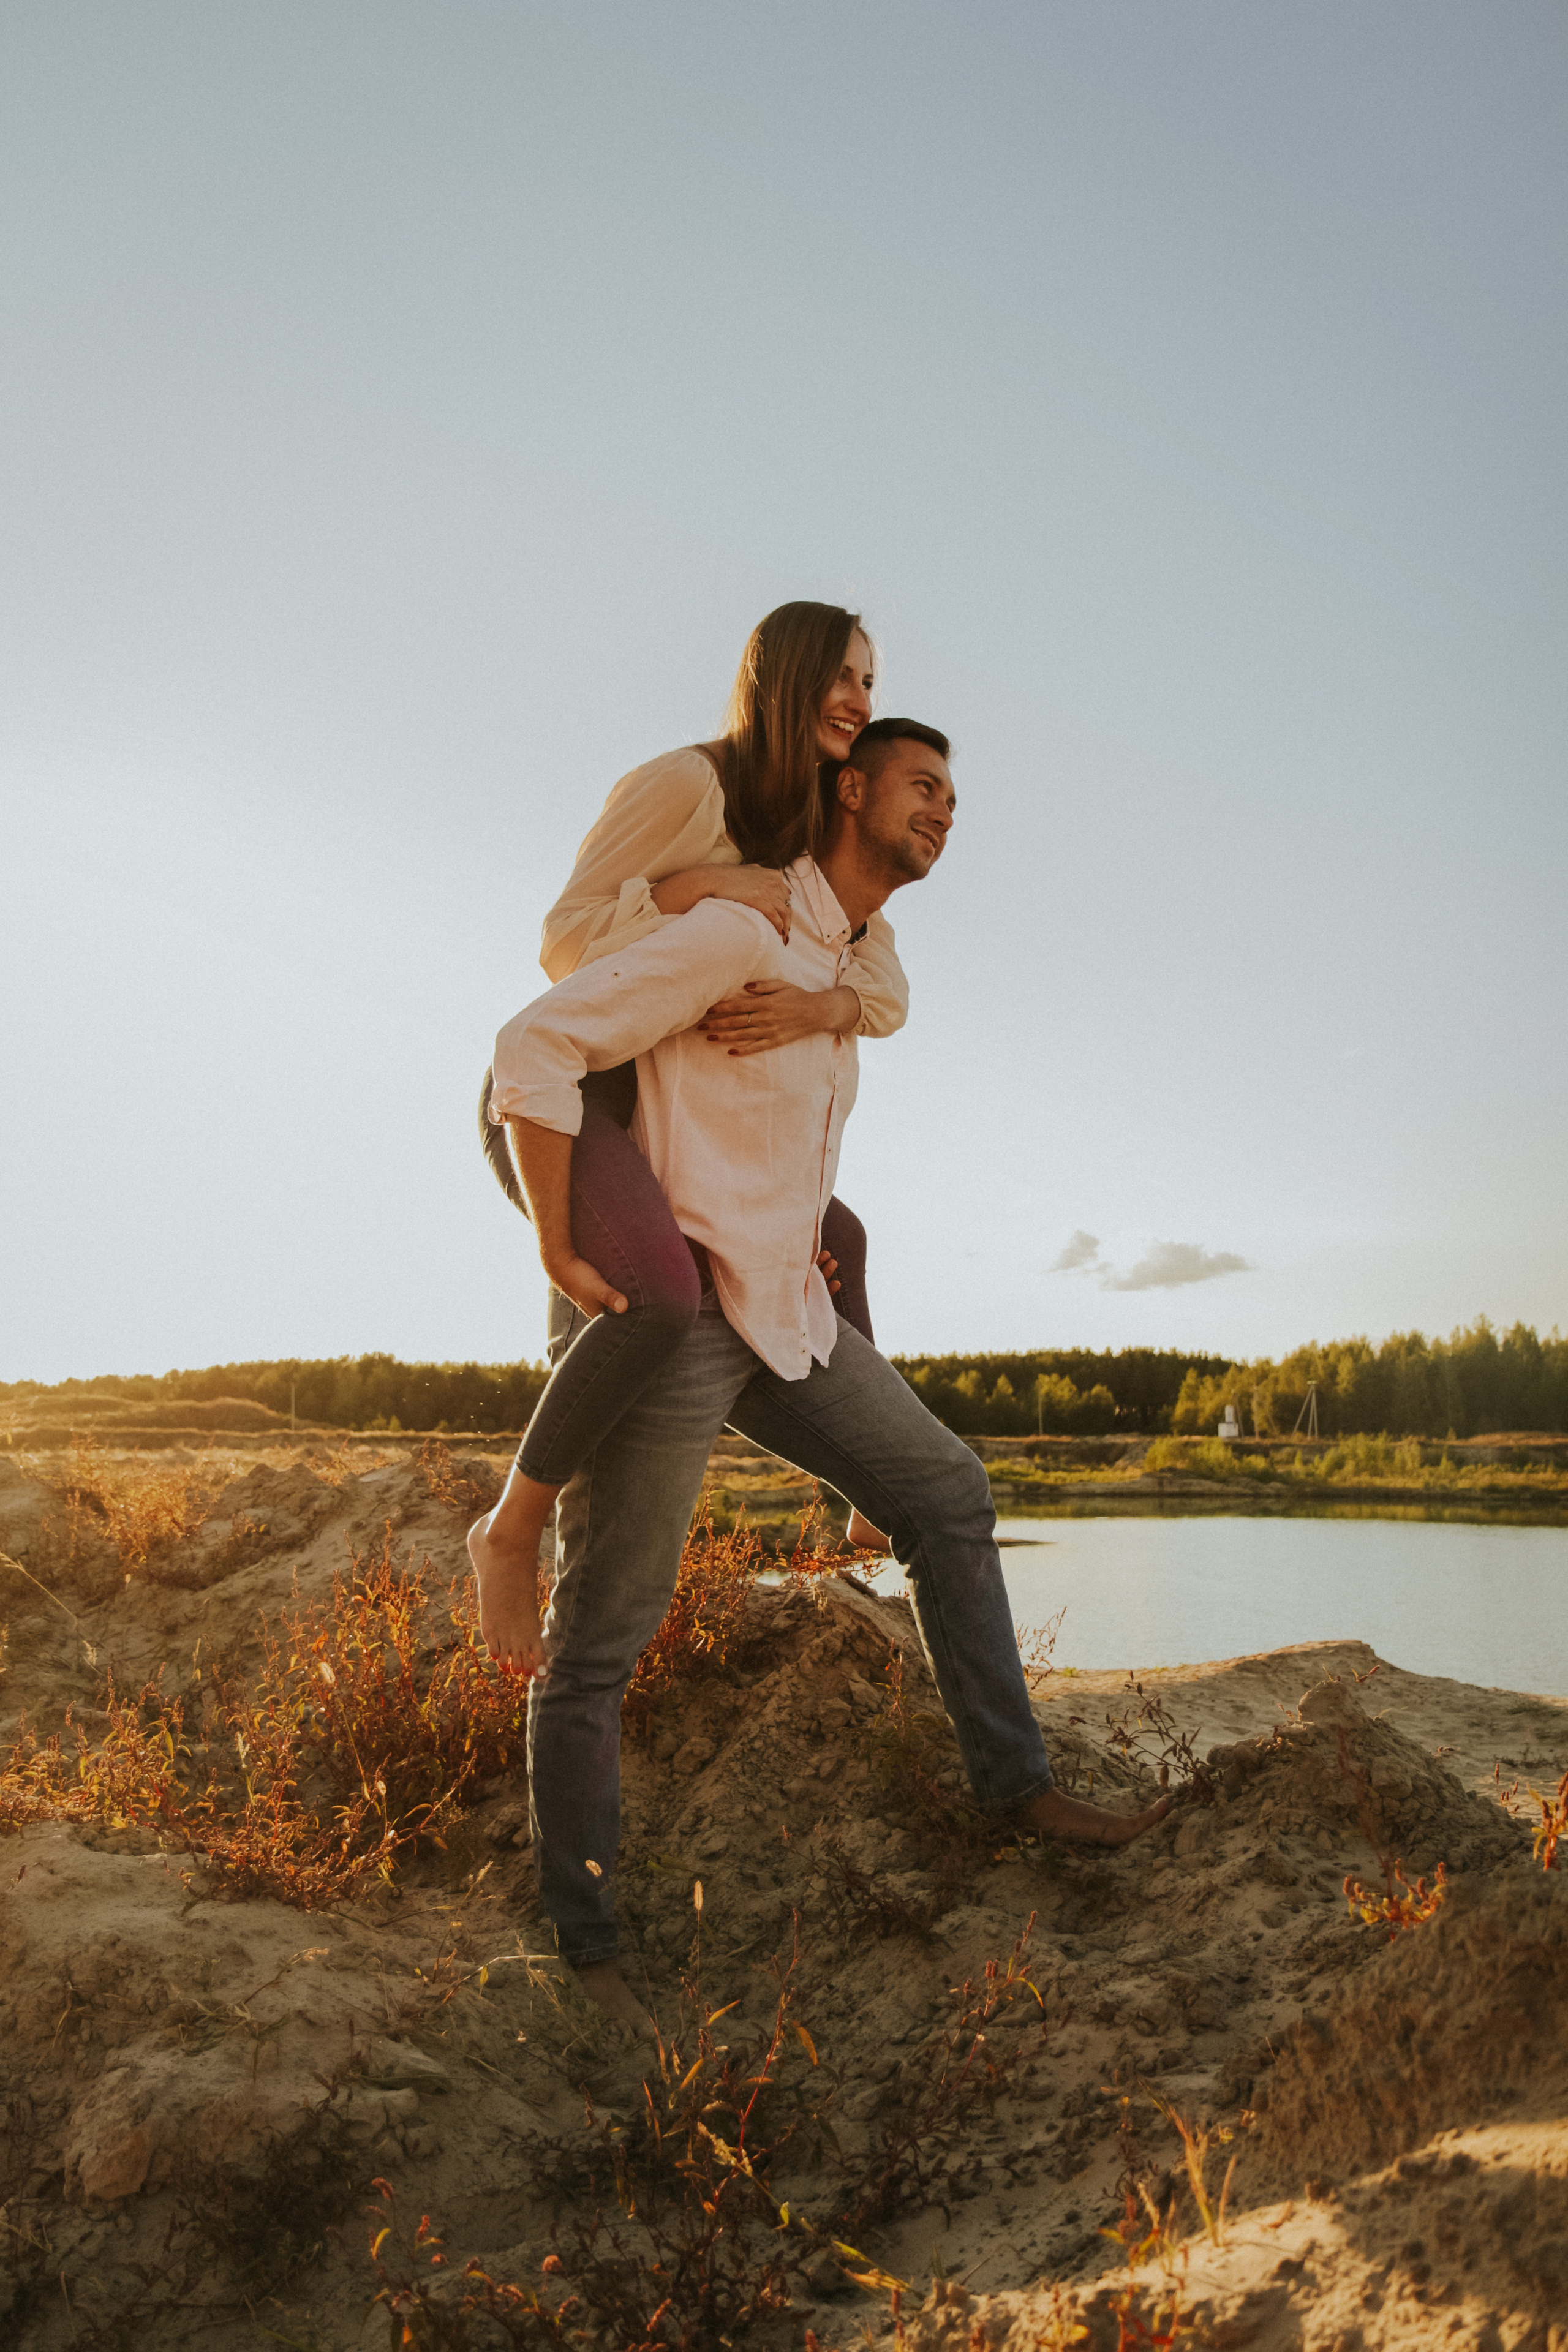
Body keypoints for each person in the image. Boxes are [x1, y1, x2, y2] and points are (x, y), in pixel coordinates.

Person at [484, 718, 1170, 2030]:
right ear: (847, 791)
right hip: (676, 1314)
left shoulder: (848, 964)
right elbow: (537, 1044)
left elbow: (878, 1015)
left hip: (786, 1309)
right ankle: (589, 1947)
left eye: (955, 795)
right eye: (923, 786)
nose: (946, 811)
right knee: (599, 1644)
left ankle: (1016, 1793)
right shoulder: (738, 935)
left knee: (948, 1492)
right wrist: (565, 1252)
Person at [472, 604, 900, 1660]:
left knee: (838, 1240)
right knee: (658, 1295)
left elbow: (880, 983)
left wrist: (818, 1008)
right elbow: (563, 946)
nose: (859, 701)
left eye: (870, 683)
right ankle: (510, 1531)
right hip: (577, 1096)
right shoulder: (684, 785)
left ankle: (871, 1491)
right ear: (785, 676)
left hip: (677, 1113)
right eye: (842, 676)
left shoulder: (807, 823)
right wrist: (698, 888)